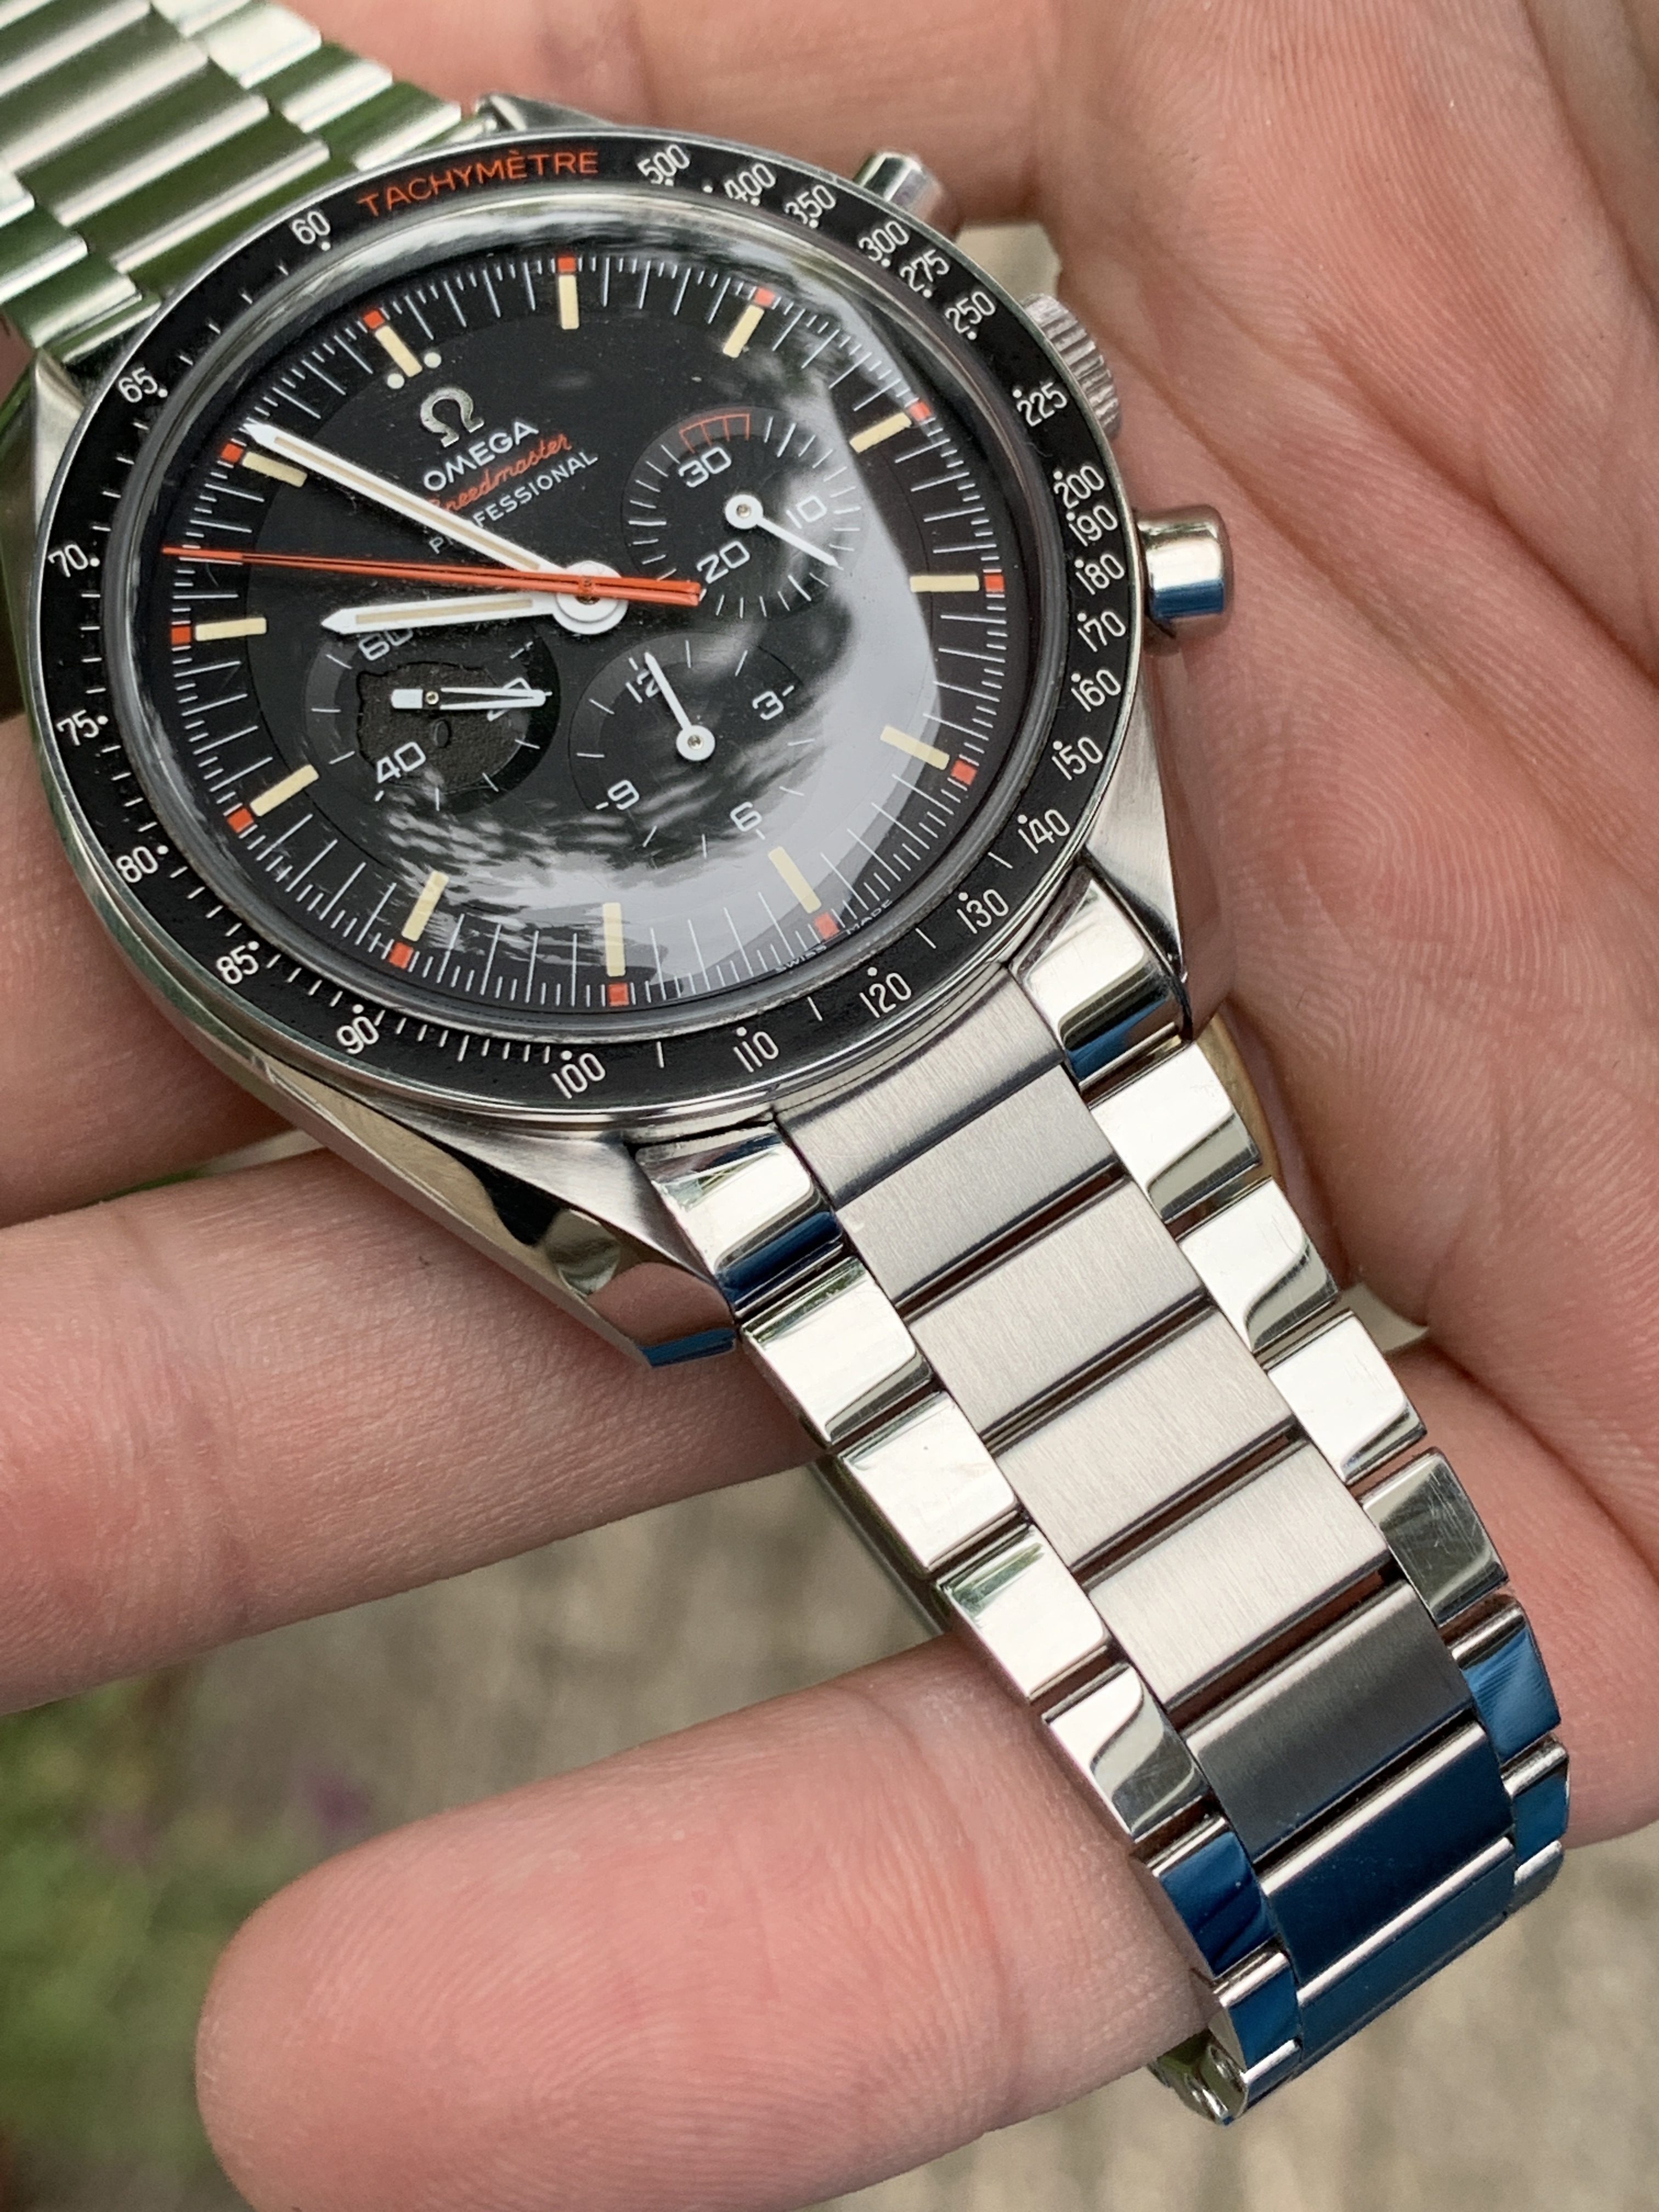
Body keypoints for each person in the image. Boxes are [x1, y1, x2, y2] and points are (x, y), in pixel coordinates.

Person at [5, 1, 1657, 2203]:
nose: (594, 603)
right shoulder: (208, 655)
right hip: (681, 1097)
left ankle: (1387, 1787)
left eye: (637, 573)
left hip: (1001, 915)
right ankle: (1343, 1823)